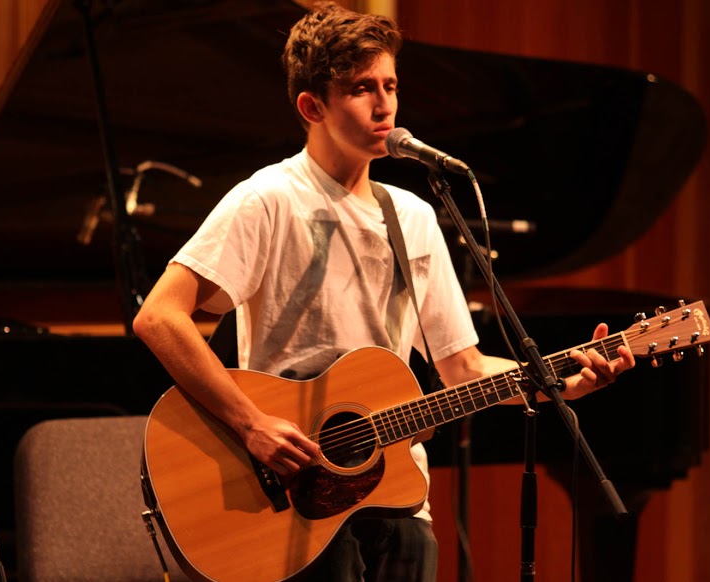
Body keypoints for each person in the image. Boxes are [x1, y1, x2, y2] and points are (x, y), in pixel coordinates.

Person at [132, 2, 636, 580]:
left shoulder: (414, 217)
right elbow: (159, 318)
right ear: (311, 105)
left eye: (390, 85)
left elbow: (463, 369)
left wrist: (560, 381)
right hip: (295, 497)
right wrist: (251, 424)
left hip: (395, 494)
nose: (384, 104)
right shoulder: (268, 199)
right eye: (360, 88)